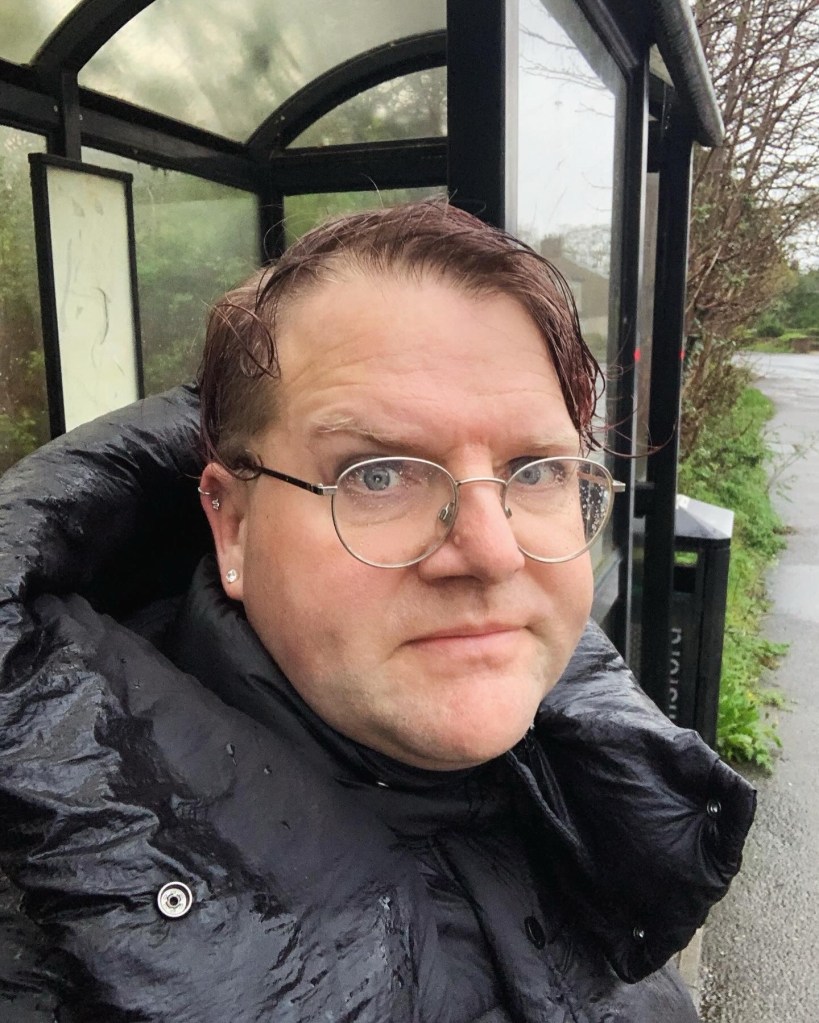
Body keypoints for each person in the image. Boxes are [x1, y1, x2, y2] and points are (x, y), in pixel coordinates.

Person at [0, 202, 754, 1022]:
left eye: (536, 470)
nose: (492, 551)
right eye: (379, 475)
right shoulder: (47, 937)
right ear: (234, 525)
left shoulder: (602, 800)